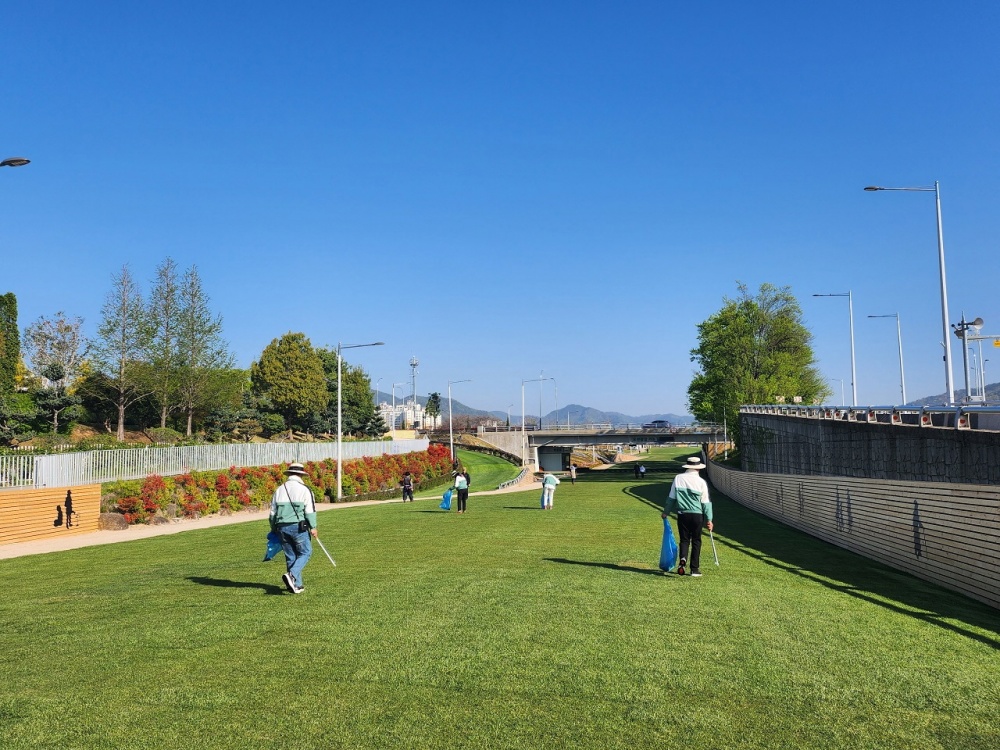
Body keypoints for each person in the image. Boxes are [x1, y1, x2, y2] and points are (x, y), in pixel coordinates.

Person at [269, 462, 318, 593]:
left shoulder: (279, 490)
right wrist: (313, 527)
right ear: (301, 475)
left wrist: (273, 527)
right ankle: (292, 575)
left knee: (291, 556)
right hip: (298, 527)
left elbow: (273, 512)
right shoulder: (305, 489)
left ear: (289, 474)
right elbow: (310, 510)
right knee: (305, 552)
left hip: (281, 527)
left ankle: (296, 585)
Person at [662, 455, 713, 577]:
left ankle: (683, 560)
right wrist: (709, 519)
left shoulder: (678, 478)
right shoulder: (701, 482)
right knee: (696, 541)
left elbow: (671, 498)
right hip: (697, 515)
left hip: (683, 514)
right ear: (698, 468)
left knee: (684, 540)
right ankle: (694, 569)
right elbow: (705, 502)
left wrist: (666, 512)